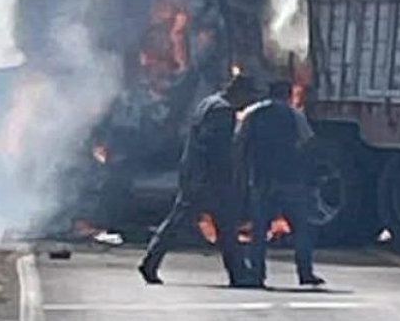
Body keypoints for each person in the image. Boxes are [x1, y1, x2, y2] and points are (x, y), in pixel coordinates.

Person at [138, 75, 261, 286]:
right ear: (239, 93)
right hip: (208, 178)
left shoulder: (208, 103)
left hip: (195, 173)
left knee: (192, 221)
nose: (247, 103)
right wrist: (228, 177)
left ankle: (237, 272)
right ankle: (237, 273)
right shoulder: (223, 111)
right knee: (220, 224)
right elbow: (218, 150)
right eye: (248, 96)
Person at [234, 80, 324, 287]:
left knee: (259, 231)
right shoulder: (293, 114)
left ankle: (257, 274)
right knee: (301, 228)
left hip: (261, 179)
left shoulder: (252, 113)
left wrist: (241, 174)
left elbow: (239, 143)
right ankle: (305, 272)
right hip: (290, 180)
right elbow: (308, 142)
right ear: (287, 94)